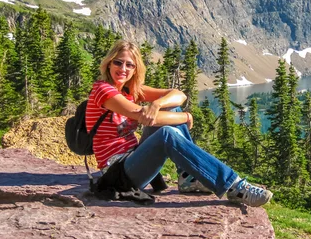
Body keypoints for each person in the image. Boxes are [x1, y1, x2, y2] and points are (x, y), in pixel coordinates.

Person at [86, 40, 272, 207]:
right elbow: (144, 116)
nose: (123, 69)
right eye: (118, 62)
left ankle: (188, 178)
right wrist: (186, 117)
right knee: (167, 134)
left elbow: (178, 95)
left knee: (171, 108)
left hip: (132, 157)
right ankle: (235, 186)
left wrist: (157, 103)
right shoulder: (103, 90)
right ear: (109, 63)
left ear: (135, 70)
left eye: (129, 65)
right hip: (117, 173)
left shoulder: (130, 90)